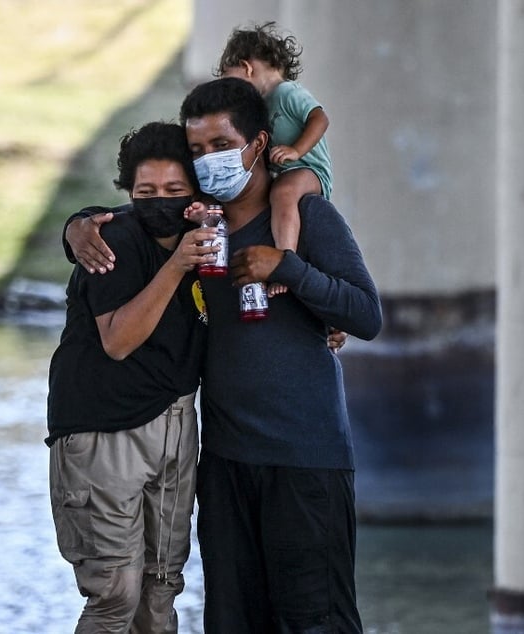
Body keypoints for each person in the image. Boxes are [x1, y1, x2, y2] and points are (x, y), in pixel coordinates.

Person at [179, 76, 381, 632]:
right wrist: (77, 229)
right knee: (231, 621)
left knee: (316, 622)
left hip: (306, 462)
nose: (209, 160)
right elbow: (132, 207)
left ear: (260, 144)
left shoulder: (308, 217)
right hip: (224, 467)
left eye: (222, 146)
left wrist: (287, 267)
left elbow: (366, 315)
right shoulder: (194, 229)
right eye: (197, 151)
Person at [46, 121, 218, 633]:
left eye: (173, 190)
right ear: (128, 192)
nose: (159, 202)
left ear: (195, 192)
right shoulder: (111, 240)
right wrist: (174, 268)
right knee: (114, 593)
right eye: (146, 192)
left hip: (174, 422)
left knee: (161, 590)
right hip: (104, 428)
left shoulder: (210, 236)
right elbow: (118, 341)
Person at [220, 22, 334, 296]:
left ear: (247, 67)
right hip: (287, 173)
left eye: (231, 80)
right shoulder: (265, 105)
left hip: (309, 170)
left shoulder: (286, 92)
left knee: (283, 193)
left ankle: (286, 264)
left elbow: (320, 118)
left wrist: (296, 150)